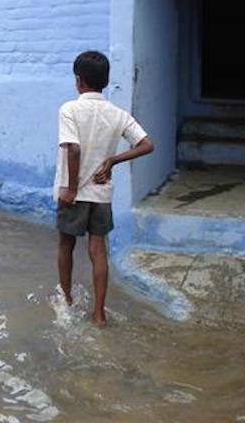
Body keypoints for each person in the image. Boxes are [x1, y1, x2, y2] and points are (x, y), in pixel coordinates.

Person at [55, 51, 154, 326]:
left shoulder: (69, 110)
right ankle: (99, 313)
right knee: (98, 250)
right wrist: (113, 160)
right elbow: (147, 144)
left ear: (79, 80)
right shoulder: (118, 114)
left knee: (66, 245)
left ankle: (66, 300)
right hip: (101, 194)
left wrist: (71, 189)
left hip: (73, 193)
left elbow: (73, 148)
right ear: (105, 81)